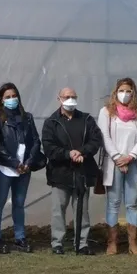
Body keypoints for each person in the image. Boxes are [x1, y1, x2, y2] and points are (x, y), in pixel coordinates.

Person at [41, 87, 104, 255]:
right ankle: (57, 243)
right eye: (66, 96)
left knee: (82, 210)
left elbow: (96, 140)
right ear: (59, 99)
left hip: (82, 171)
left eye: (73, 97)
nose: (70, 99)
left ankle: (82, 243)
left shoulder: (86, 119)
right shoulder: (52, 122)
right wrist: (68, 154)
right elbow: (49, 147)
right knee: (58, 209)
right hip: (60, 173)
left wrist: (82, 152)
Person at [98, 78, 137, 256]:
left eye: (128, 91)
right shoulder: (106, 112)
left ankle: (133, 243)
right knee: (113, 203)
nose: (125, 94)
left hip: (133, 162)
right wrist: (117, 157)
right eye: (121, 90)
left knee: (132, 203)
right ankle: (112, 243)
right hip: (114, 163)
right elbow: (104, 136)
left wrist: (131, 156)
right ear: (115, 92)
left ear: (133, 93)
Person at [0, 82, 42, 254]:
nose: (12, 99)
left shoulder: (27, 118)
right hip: (3, 167)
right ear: (1, 100)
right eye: (8, 97)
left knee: (19, 203)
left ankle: (20, 237)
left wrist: (28, 162)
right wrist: (14, 163)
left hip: (24, 168)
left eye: (14, 96)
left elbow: (35, 141)